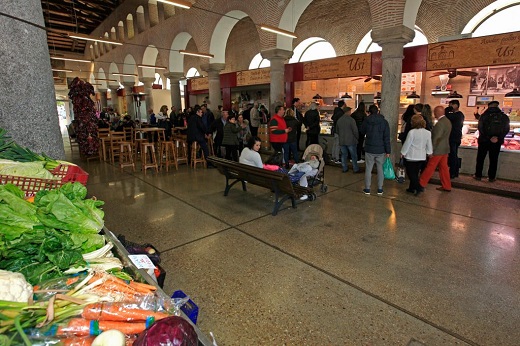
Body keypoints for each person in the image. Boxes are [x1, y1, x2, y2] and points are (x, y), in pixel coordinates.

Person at [473, 100, 510, 182]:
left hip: (484, 141)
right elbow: (506, 129)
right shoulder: (504, 117)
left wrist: (488, 137)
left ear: (489, 106)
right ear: (497, 106)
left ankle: (478, 175)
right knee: (494, 159)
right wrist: (498, 138)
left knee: (480, 158)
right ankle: (491, 177)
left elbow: (480, 128)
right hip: (496, 142)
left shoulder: (484, 116)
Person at [419, 106, 452, 192]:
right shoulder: (447, 121)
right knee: (444, 168)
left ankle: (421, 183)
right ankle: (447, 185)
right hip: (445, 149)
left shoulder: (440, 123)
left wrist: (431, 150)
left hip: (438, 150)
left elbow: (436, 138)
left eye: (435, 112)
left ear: (437, 112)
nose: (434, 114)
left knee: (430, 167)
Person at [360, 104, 390, 195]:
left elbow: (361, 131)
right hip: (381, 149)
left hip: (369, 148)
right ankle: (380, 189)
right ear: (378, 111)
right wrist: (388, 151)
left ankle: (367, 189)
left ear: (369, 112)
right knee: (380, 169)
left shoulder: (366, 120)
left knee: (368, 169)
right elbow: (386, 138)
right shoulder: (384, 122)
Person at [401, 115, 432, 195]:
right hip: (421, 156)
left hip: (412, 156)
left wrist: (403, 152)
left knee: (411, 174)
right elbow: (429, 144)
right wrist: (429, 152)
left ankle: (418, 187)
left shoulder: (412, 132)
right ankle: (411, 188)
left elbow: (407, 144)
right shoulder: (428, 133)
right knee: (415, 172)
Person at [336, 106, 361, 173]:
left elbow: (337, 131)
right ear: (348, 111)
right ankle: (355, 168)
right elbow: (355, 131)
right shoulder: (351, 120)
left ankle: (344, 168)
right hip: (351, 140)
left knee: (344, 155)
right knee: (353, 155)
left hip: (342, 140)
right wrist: (357, 138)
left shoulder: (339, 120)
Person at [446, 100, 465, 179]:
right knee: (454, 155)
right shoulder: (460, 115)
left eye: (451, 105)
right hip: (456, 137)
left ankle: (452, 173)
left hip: (453, 137)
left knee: (453, 155)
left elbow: (446, 115)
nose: (450, 107)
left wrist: (448, 109)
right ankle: (455, 172)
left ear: (455, 105)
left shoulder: (457, 115)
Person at [331, 100, 346, 164]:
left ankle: (333, 157)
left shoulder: (336, 111)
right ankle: (336, 158)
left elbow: (332, 118)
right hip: (339, 130)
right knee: (337, 145)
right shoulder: (341, 113)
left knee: (335, 144)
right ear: (343, 105)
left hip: (335, 130)